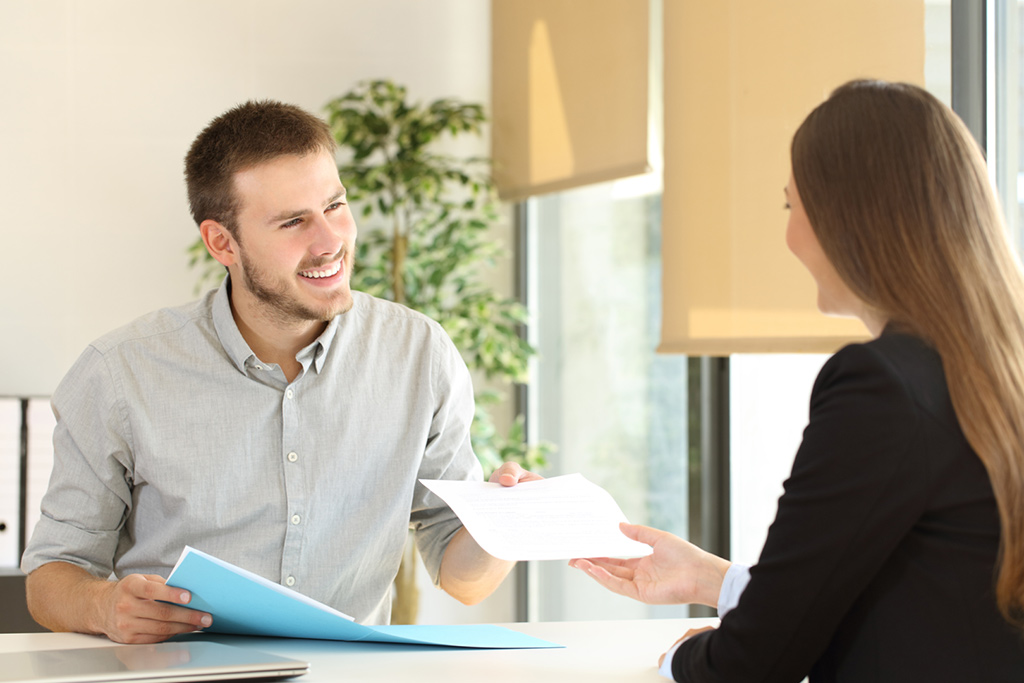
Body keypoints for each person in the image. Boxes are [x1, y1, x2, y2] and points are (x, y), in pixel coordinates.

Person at [21, 100, 539, 644]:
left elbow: (463, 580)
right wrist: (103, 606)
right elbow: (52, 576)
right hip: (177, 675)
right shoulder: (119, 373)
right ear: (222, 242)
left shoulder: (421, 354)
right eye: (293, 221)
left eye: (335, 206)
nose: (330, 241)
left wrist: (505, 525)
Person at [571, 80, 1024, 681]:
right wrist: (716, 578)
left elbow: (753, 665)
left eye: (791, 206)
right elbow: (920, 590)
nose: (788, 238)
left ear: (848, 217)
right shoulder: (994, 370)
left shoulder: (882, 385)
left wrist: (677, 658)